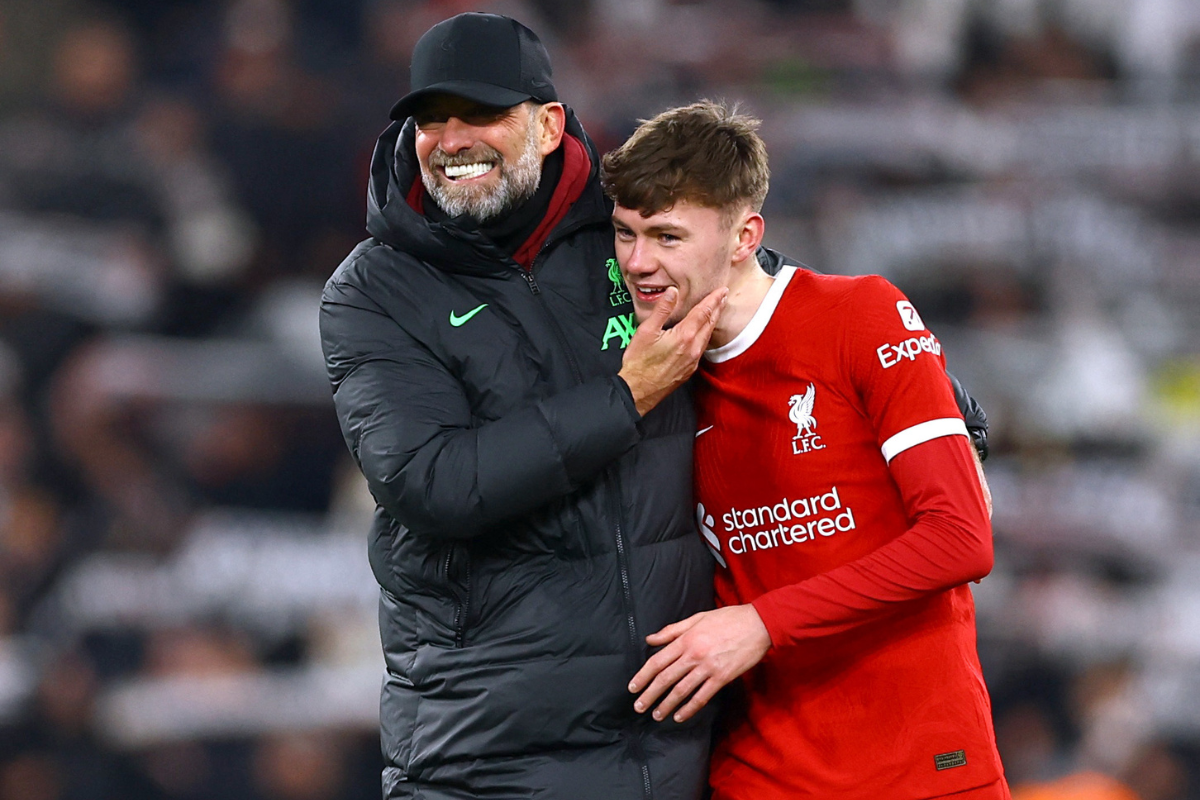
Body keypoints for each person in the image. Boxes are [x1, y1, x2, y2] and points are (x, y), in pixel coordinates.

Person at [318, 13, 728, 800]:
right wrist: (625, 395)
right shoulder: (373, 291)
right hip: (487, 750)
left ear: (545, 126)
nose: (452, 138)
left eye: (481, 115)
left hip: (678, 737)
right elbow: (434, 482)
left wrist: (916, 395)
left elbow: (772, 312)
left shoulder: (635, 229)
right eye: (432, 120)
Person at [602, 102, 1009, 800]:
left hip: (924, 768)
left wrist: (762, 623)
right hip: (762, 775)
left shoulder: (858, 316)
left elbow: (962, 539)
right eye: (625, 234)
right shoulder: (649, 375)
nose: (638, 263)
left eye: (668, 237)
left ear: (743, 236)